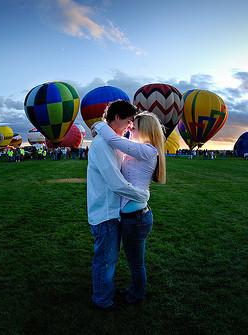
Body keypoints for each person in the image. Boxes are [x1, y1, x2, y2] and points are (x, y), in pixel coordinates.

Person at [93, 111, 166, 305]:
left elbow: (115, 140)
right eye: (130, 125)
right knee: (133, 261)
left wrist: (98, 125)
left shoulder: (148, 150)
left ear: (146, 129)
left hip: (137, 218)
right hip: (131, 216)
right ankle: (135, 290)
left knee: (136, 263)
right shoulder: (138, 149)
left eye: (133, 127)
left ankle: (137, 295)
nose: (129, 129)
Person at [87, 100, 149, 311]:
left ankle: (105, 294)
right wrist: (140, 195)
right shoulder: (101, 145)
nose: (131, 125)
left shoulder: (113, 141)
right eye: (129, 121)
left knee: (109, 259)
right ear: (116, 118)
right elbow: (115, 183)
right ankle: (102, 300)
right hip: (105, 213)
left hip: (115, 212)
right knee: (105, 261)